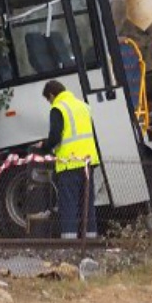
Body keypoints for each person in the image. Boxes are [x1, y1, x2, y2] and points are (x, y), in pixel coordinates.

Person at [33, 80, 100, 239]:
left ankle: (69, 242)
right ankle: (90, 239)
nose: (50, 103)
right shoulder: (83, 106)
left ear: (51, 95)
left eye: (48, 100)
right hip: (87, 162)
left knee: (68, 204)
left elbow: (55, 136)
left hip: (69, 163)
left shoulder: (58, 108)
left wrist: (44, 147)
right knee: (87, 203)